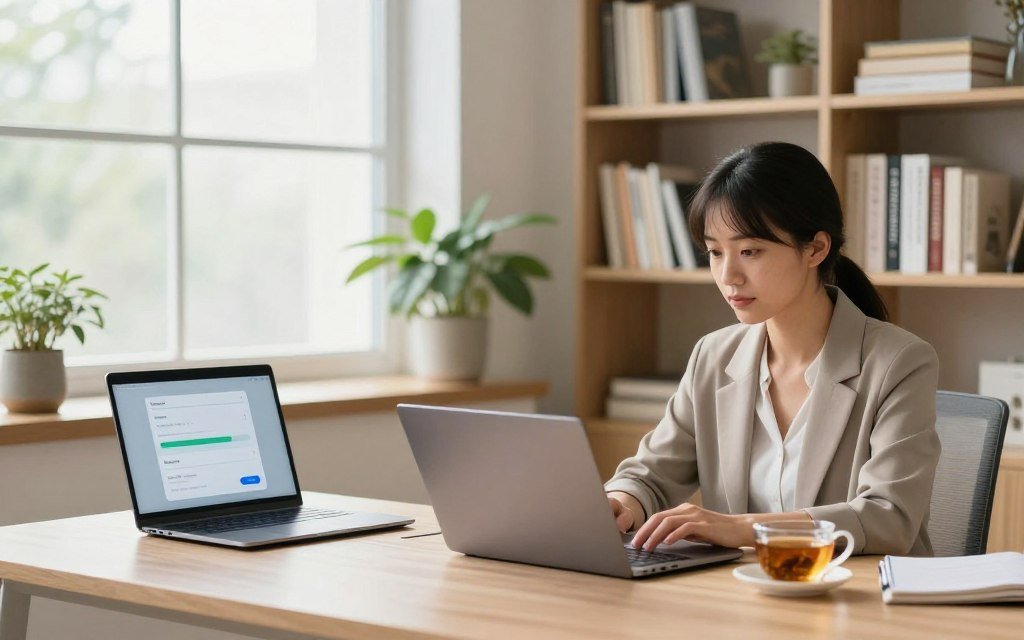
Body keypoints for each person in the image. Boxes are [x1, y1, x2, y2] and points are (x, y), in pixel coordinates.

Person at [605, 141, 940, 556]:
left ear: (816, 248)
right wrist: (621, 502)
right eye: (714, 252)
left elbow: (888, 518)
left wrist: (743, 529)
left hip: (860, 601)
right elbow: (652, 475)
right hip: (743, 599)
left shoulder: (899, 362)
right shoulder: (714, 356)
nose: (729, 275)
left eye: (750, 251)